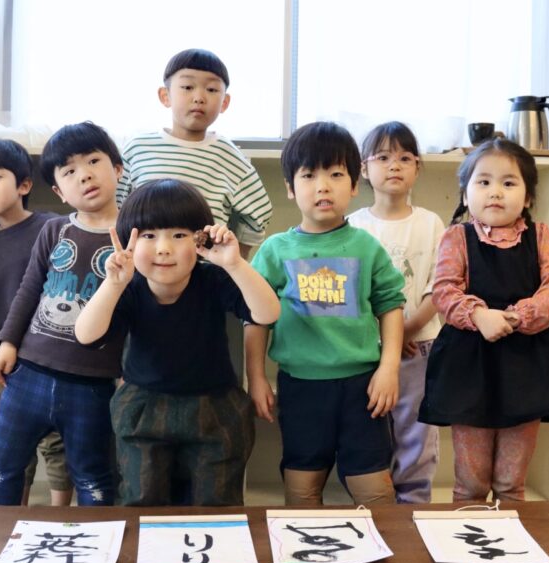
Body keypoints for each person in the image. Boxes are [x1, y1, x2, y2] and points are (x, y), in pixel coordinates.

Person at [75, 179, 280, 506]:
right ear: (130, 243)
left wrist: (235, 263)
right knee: (142, 499)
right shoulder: (129, 286)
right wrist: (112, 285)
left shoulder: (213, 279)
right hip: (144, 408)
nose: (163, 248)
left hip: (214, 408)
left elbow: (268, 313)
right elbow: (87, 336)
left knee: (216, 502)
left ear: (200, 239)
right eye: (149, 236)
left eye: (179, 235)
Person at [245, 121, 406, 506]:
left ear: (354, 185)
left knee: (375, 490)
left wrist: (389, 369)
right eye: (309, 175)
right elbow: (254, 318)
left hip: (363, 388)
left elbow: (391, 305)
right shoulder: (275, 250)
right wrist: (256, 377)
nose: (322, 186)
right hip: (300, 388)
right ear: (290, 187)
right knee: (302, 487)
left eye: (335, 174)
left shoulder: (366, 246)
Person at [418, 138, 549, 503]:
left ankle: (514, 535)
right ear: (465, 194)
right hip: (469, 368)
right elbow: (444, 290)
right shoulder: (456, 237)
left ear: (528, 197)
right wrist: (479, 315)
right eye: (483, 181)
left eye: (508, 183)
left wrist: (517, 316)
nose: (495, 192)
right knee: (471, 484)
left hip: (527, 367)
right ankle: (466, 534)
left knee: (510, 483)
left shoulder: (541, 236)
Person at [0, 121, 125, 506]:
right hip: (29, 372)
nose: (84, 175)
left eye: (93, 161)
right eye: (69, 171)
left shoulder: (135, 237)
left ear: (117, 168)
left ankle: (96, 541)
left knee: (94, 478)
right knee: (3, 465)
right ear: (59, 192)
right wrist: (7, 343)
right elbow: (29, 289)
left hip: (93, 383)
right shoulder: (54, 230)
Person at [0, 137, 73, 507]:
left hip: (54, 353)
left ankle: (60, 515)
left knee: (57, 442)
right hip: (10, 360)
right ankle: (14, 515)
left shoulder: (54, 227)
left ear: (24, 185)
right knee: (16, 444)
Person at [346, 121, 445, 504]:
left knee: (416, 432)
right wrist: (386, 336)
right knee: (370, 430)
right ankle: (375, 508)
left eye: (405, 158)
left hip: (420, 347)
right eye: (383, 157)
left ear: (417, 168)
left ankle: (414, 507)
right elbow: (350, 293)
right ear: (364, 168)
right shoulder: (354, 225)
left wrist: (404, 331)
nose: (394, 165)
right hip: (367, 348)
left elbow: (440, 286)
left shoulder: (430, 223)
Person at [116, 48, 272, 258]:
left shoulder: (229, 156)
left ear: (225, 102)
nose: (199, 97)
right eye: (187, 87)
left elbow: (259, 213)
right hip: (146, 267)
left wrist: (235, 259)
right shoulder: (138, 148)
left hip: (205, 270)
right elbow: (116, 208)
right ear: (165, 96)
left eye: (212, 89)